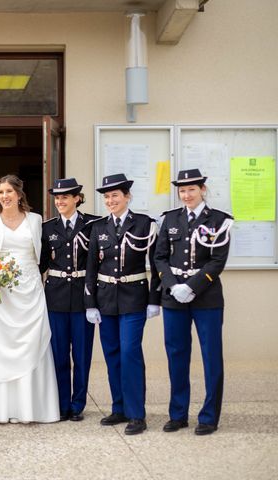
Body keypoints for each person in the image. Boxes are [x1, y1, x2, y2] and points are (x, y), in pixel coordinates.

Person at [0, 174, 60, 424]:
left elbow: (41, 257)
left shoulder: (36, 221)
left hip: (29, 292)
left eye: (9, 191)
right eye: (0, 192)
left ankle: (29, 408)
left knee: (31, 346)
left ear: (19, 194)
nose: (4, 196)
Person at [154, 169, 233, 436]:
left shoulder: (219, 221)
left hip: (207, 297)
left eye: (191, 190)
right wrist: (173, 285)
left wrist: (192, 286)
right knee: (176, 354)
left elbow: (217, 260)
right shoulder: (170, 219)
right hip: (175, 297)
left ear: (203, 190)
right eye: (182, 190)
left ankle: (209, 417)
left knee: (211, 357)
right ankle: (178, 414)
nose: (186, 195)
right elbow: (160, 256)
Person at [84, 173, 161, 435]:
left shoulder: (144, 224)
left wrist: (154, 299)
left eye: (115, 195)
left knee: (130, 353)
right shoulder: (98, 227)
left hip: (134, 297)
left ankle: (137, 414)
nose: (110, 200)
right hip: (105, 299)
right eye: (106, 197)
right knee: (112, 355)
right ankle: (119, 408)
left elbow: (157, 264)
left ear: (127, 196)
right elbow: (91, 268)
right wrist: (90, 303)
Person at [40, 178, 99, 422]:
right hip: (56, 297)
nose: (60, 201)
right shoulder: (47, 228)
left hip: (83, 297)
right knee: (59, 354)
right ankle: (62, 404)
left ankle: (78, 404)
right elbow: (40, 264)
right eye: (57, 197)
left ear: (77, 198)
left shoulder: (93, 224)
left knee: (82, 355)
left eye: (66, 196)